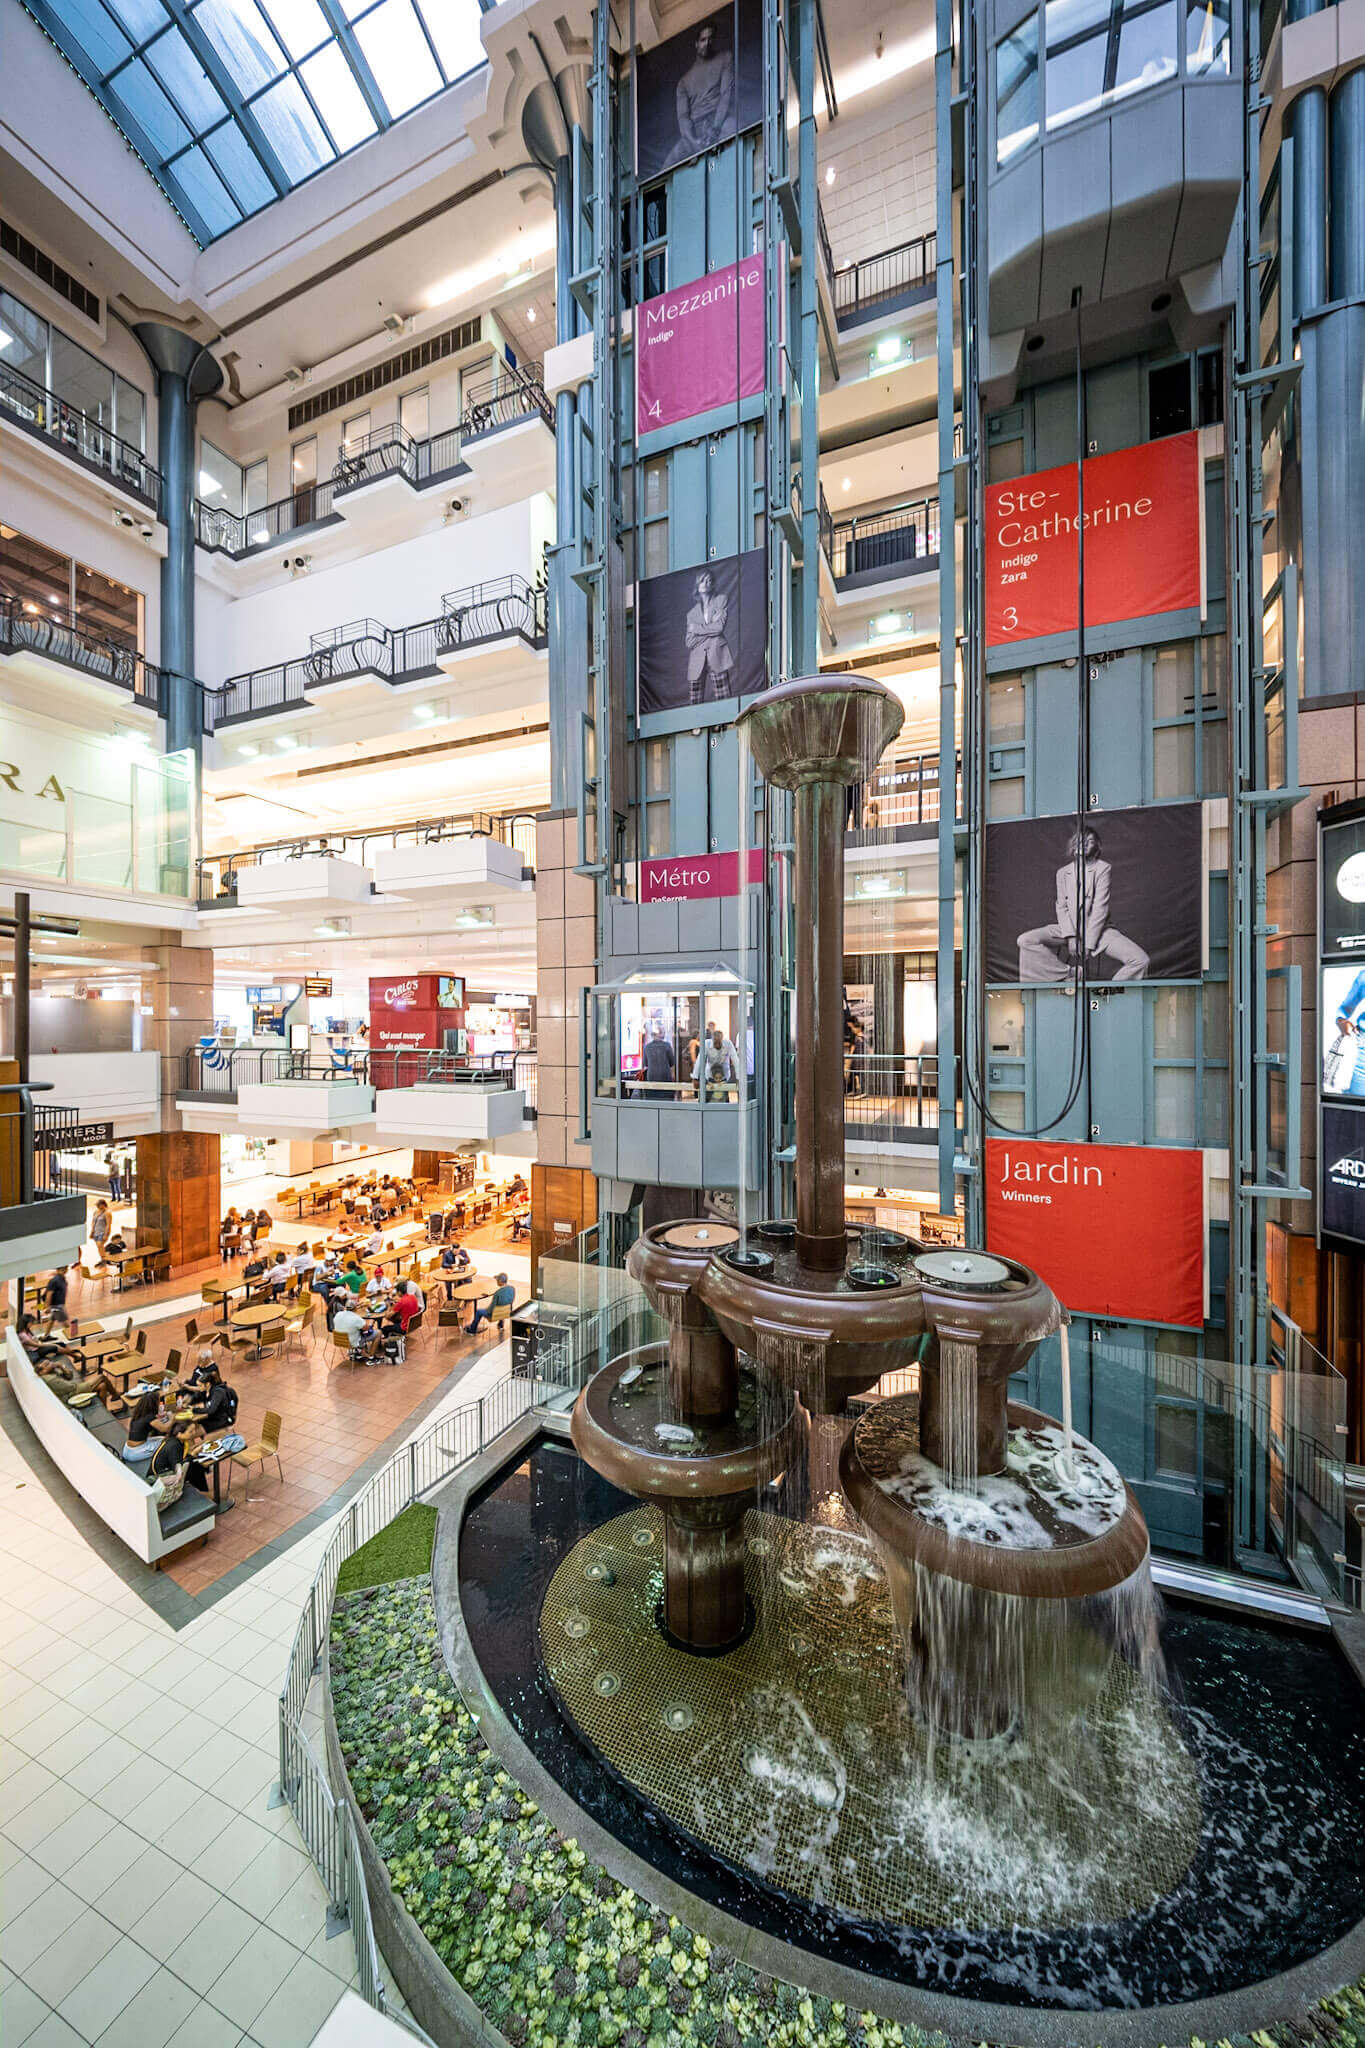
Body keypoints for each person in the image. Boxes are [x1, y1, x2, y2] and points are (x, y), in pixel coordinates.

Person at [1016, 825, 1150, 984]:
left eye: (1090, 841)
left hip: (1098, 930)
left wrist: (1089, 943)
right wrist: (1071, 937)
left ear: (1097, 847)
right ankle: (1069, 973)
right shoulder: (1062, 872)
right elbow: (1062, 907)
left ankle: (1108, 993)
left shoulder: (1103, 868)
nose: (1084, 844)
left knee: (1140, 960)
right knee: (1026, 940)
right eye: (1081, 840)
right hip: (1068, 929)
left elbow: (1100, 908)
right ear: (1074, 844)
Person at [675, 17, 735, 155]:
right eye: (703, 40)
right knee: (669, 164)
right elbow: (683, 118)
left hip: (720, 120)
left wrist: (716, 128)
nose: (707, 43)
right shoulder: (683, 82)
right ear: (696, 43)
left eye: (710, 38)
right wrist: (693, 142)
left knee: (738, 134)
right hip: (695, 130)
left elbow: (726, 95)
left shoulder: (725, 58)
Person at [684, 568, 735, 705]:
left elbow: (719, 628)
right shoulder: (691, 614)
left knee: (724, 702)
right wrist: (710, 626)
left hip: (717, 654)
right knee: (694, 705)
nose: (706, 583)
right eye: (702, 580)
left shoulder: (720, 600)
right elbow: (689, 642)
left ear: (713, 584)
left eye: (709, 580)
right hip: (696, 660)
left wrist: (697, 629)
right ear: (697, 585)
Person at [1326, 968, 1365, 1095]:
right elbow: (1345, 1008)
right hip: (1362, 1062)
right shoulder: (1363, 977)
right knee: (1356, 1101)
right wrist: (1341, 1021)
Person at [693, 1022, 739, 1099]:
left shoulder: (728, 1044)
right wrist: (695, 1078)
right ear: (712, 1040)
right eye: (715, 1043)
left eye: (719, 1043)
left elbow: (736, 1060)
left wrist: (739, 1077)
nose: (717, 1045)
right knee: (709, 1098)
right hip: (710, 1075)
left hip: (724, 1076)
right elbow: (699, 1061)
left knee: (723, 1099)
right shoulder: (706, 1044)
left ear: (722, 1040)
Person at [121, 1390, 161, 1466]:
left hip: (127, 1450)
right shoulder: (150, 1417)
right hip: (135, 1453)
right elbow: (165, 1428)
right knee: (165, 1441)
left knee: (161, 1438)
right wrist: (173, 1418)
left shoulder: (138, 1414)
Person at [641, 1025, 675, 1100]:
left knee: (653, 1098)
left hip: (651, 1076)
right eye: (663, 1032)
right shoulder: (667, 1045)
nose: (664, 1034)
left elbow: (645, 1064)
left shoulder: (647, 1047)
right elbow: (672, 1062)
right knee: (666, 1099)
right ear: (659, 1034)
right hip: (665, 1076)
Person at [90, 1199, 112, 1264]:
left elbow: (108, 1224)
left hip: (102, 1232)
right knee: (99, 1247)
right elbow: (93, 1222)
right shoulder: (96, 1212)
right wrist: (92, 1231)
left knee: (100, 1245)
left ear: (103, 1205)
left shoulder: (107, 1213)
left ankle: (104, 1259)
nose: (97, 1206)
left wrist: (106, 1234)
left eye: (98, 1205)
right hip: (96, 1232)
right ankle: (102, 1259)